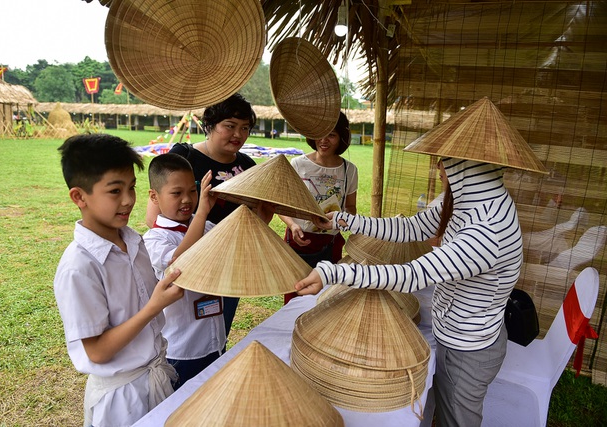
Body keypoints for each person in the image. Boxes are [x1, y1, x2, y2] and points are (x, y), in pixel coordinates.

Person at [295, 158, 523, 427]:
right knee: (443, 408)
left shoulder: (488, 229)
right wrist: (345, 220)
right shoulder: (468, 200)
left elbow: (413, 274)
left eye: (445, 162)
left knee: (458, 420)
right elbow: (412, 227)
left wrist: (334, 273)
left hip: (469, 347)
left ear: (465, 167)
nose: (437, 168)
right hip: (455, 331)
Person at [53, 134, 185, 427]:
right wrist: (154, 306)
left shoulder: (134, 241)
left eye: (132, 188)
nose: (128, 201)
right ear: (79, 197)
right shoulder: (80, 267)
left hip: (154, 377)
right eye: (115, 191)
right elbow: (98, 351)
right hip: (121, 399)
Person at [145, 93, 265, 342]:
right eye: (229, 126)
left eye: (245, 128)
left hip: (231, 264)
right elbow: (152, 218)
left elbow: (254, 222)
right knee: (185, 333)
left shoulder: (248, 166)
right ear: (210, 125)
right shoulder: (186, 156)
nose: (238, 135)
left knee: (218, 330)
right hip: (187, 264)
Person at [143, 153, 225, 388]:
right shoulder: (155, 239)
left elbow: (235, 245)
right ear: (154, 196)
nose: (187, 199)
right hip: (182, 350)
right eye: (176, 193)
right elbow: (181, 262)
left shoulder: (208, 227)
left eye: (193, 190)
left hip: (214, 341)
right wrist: (201, 213)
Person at [279, 111, 358, 303]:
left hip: (330, 244)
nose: (323, 140)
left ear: (341, 137)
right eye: (319, 134)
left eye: (331, 135)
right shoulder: (298, 164)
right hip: (298, 240)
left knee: (325, 297)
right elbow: (281, 206)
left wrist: (337, 221)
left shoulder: (349, 170)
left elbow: (351, 207)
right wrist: (293, 225)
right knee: (295, 293)